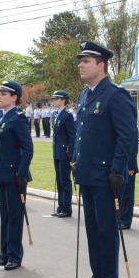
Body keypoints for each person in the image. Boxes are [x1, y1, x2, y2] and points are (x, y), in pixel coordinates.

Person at [72, 41, 137, 278]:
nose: (81, 65)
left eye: (86, 61)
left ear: (101, 65)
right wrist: (76, 161)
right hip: (87, 172)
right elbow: (82, 134)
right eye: (81, 61)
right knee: (91, 227)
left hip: (105, 174)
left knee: (106, 228)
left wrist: (118, 169)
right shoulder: (84, 95)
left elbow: (127, 135)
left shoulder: (115, 94)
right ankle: (96, 276)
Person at [0, 80, 33, 270]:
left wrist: (21, 173)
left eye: (4, 94)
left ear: (14, 97)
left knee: (15, 216)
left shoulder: (18, 118)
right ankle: (4, 253)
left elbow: (28, 148)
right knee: (4, 215)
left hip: (15, 174)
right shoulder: (1, 117)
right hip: (1, 173)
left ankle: (15, 255)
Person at [50, 90, 75, 218]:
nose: (54, 101)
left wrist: (70, 152)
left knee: (65, 180)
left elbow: (72, 135)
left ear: (63, 100)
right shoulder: (55, 115)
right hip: (57, 152)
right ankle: (60, 207)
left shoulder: (67, 115)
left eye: (56, 99)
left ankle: (67, 208)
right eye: (53, 99)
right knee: (59, 180)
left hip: (64, 152)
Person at [119, 138, 139, 229]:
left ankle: (126, 220)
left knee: (127, 194)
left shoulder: (130, 123)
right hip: (121, 164)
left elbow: (133, 145)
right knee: (121, 193)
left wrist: (131, 166)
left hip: (128, 166)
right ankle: (120, 217)